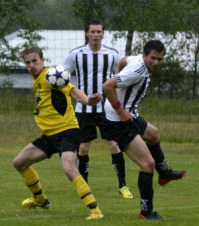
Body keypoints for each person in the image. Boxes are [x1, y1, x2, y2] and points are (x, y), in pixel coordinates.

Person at [13, 46, 104, 220]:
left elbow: (73, 91)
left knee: (69, 168)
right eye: (28, 62)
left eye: (35, 61)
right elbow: (46, 108)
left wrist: (88, 101)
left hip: (67, 132)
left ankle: (95, 211)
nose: (31, 65)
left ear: (42, 60)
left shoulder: (51, 76)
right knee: (18, 162)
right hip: (48, 136)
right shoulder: (37, 81)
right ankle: (40, 199)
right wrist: (43, 132)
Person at [102, 40, 186, 220]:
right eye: (153, 58)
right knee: (147, 164)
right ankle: (146, 212)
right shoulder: (137, 70)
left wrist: (120, 76)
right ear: (145, 55)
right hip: (119, 121)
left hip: (129, 115)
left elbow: (123, 60)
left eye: (160, 59)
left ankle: (164, 174)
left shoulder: (136, 61)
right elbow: (107, 86)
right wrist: (120, 110)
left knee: (153, 134)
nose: (156, 63)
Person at [62, 19, 132, 199]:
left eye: (98, 32)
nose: (95, 35)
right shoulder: (76, 54)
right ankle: (84, 186)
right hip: (83, 109)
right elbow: (62, 77)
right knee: (83, 147)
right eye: (92, 32)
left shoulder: (112, 54)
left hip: (107, 109)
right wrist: (75, 95)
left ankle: (123, 186)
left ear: (103, 34)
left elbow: (122, 75)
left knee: (114, 144)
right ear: (87, 33)